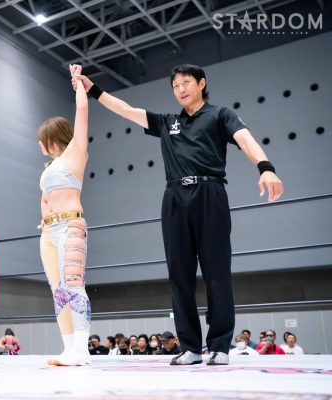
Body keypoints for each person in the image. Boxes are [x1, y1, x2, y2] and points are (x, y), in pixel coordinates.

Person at [70, 64, 284, 366]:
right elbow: (125, 110)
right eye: (175, 85)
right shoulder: (167, 122)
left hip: (210, 193)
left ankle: (219, 346)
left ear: (201, 83)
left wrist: (266, 167)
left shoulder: (220, 115)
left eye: (186, 82)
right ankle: (191, 347)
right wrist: (91, 88)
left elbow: (245, 138)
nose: (180, 89)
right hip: (174, 197)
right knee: (179, 275)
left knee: (217, 273)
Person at [39, 66, 91, 367]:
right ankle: (69, 348)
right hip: (47, 232)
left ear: (51, 137)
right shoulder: (49, 167)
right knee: (57, 290)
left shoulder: (76, 152)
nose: (39, 144)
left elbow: (82, 111)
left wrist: (78, 84)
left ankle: (81, 350)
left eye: (41, 139)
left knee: (73, 285)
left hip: (70, 226)